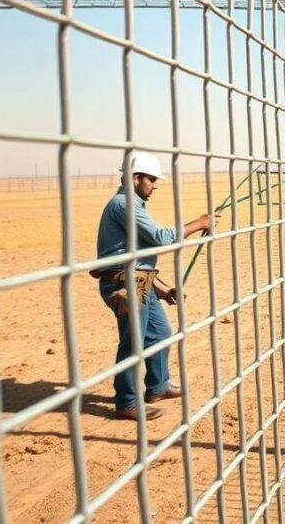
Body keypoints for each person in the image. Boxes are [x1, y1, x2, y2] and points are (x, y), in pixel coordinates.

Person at [93, 153, 218, 421]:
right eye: (151, 179)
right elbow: (161, 239)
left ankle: (158, 387)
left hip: (138, 280)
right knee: (133, 342)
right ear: (135, 178)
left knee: (160, 333)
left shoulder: (133, 204)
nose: (155, 184)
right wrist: (199, 223)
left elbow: (138, 256)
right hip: (124, 282)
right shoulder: (124, 204)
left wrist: (161, 288)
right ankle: (126, 402)